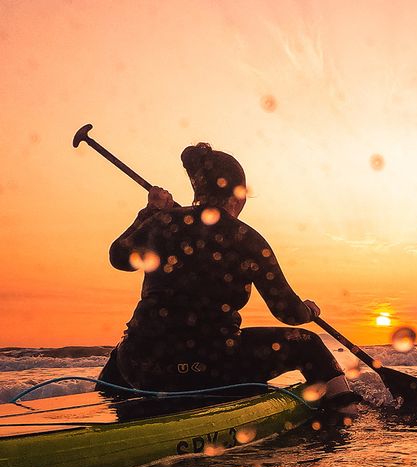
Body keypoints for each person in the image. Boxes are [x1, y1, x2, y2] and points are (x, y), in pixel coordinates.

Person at [98, 142, 359, 410]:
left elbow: (119, 257)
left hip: (143, 368)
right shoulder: (249, 240)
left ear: (198, 191)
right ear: (238, 195)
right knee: (308, 344)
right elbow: (288, 313)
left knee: (127, 346)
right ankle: (344, 416)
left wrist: (150, 212)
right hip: (214, 367)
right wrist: (309, 311)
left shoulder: (162, 222)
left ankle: (102, 403)